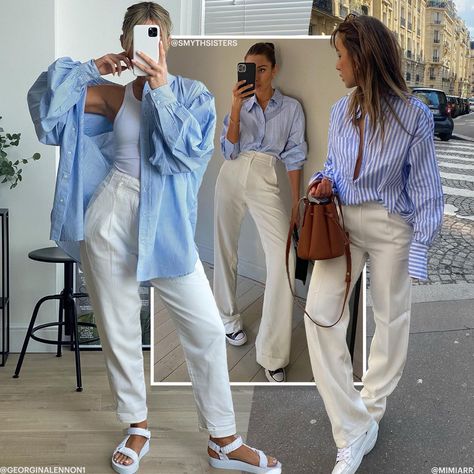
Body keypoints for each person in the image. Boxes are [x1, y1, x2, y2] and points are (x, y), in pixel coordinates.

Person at [27, 3, 281, 473]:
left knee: (206, 328)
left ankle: (223, 439)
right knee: (119, 326)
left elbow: (188, 153)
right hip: (111, 215)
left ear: (168, 41)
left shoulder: (193, 94)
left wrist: (160, 89)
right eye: (140, 37)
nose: (151, 45)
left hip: (165, 222)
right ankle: (137, 426)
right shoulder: (112, 96)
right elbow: (45, 107)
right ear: (127, 44)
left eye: (158, 36)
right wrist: (89, 69)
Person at [304, 14, 443, 474]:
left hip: (391, 226)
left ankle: (370, 413)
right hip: (342, 221)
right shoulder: (340, 110)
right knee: (320, 316)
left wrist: (418, 251)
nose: (337, 65)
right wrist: (324, 182)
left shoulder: (414, 116)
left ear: (363, 57)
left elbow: (426, 192)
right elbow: (334, 166)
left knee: (391, 320)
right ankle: (354, 426)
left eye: (341, 55)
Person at [213, 42, 307, 383]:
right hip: (233, 172)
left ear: (274, 70)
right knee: (225, 250)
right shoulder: (241, 102)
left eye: (262, 69)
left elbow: (295, 155)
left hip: (267, 174)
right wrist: (236, 107)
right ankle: (227, 319)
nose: (257, 75)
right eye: (250, 69)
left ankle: (273, 352)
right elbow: (228, 149)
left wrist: (296, 202)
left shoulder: (291, 108)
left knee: (285, 258)